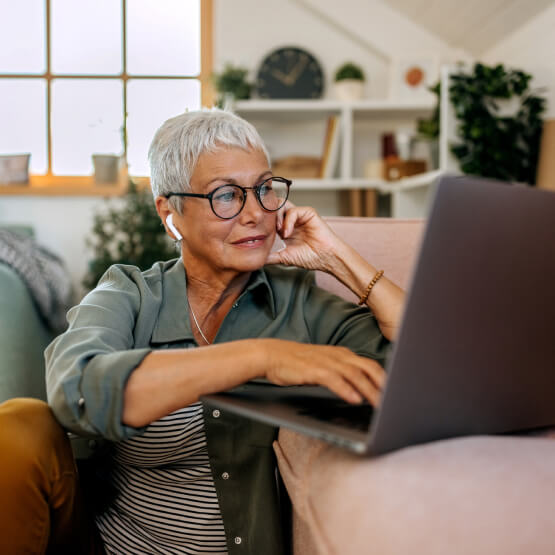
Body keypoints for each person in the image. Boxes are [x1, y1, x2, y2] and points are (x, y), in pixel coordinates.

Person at [0, 108, 404, 554]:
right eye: (226, 195)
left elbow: (425, 368)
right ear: (171, 213)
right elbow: (77, 391)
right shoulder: (131, 293)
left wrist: (338, 258)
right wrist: (261, 358)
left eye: (264, 189)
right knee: (18, 426)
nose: (255, 213)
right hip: (108, 546)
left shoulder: (299, 303)